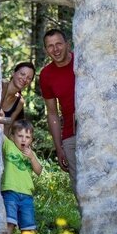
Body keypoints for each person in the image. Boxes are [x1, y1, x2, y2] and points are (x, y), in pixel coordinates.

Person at [39, 28, 77, 197]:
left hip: (95, 128)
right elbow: (52, 113)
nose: (55, 49)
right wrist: (58, 147)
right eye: (50, 46)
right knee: (79, 186)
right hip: (70, 133)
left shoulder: (82, 61)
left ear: (67, 44)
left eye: (59, 44)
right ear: (46, 50)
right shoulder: (46, 75)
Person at [2, 119, 43, 234]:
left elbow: (39, 171)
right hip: (10, 191)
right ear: (12, 136)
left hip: (27, 195)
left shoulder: (31, 154)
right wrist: (2, 118)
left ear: (31, 139)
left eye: (28, 137)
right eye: (20, 136)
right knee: (9, 222)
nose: (24, 139)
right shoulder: (9, 145)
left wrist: (32, 158)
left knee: (28, 227)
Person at [0, 61, 35, 135]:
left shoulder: (19, 102)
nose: (25, 79)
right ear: (13, 73)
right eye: (22, 74)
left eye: (29, 78)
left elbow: (7, 128)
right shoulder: (1, 85)